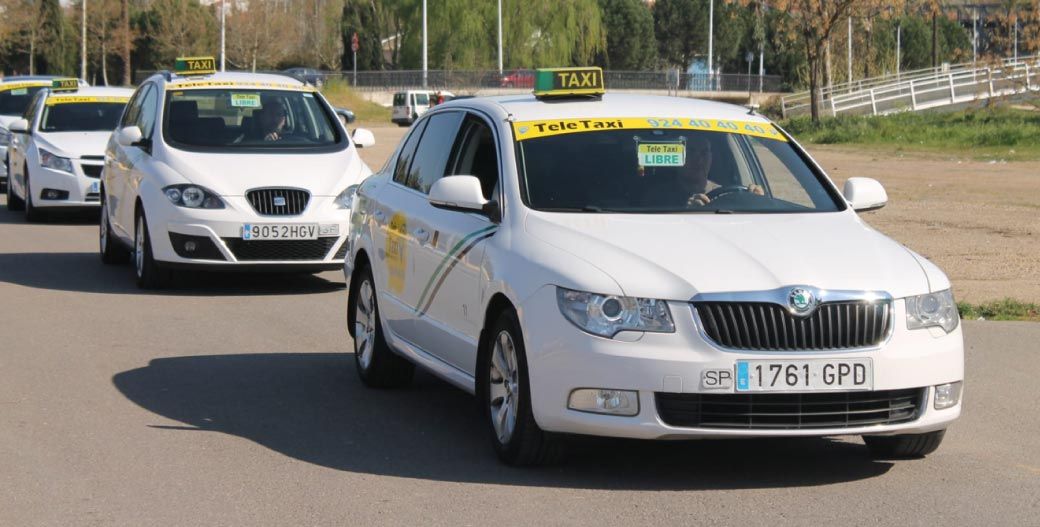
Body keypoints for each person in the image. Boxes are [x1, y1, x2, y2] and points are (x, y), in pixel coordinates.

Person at [641, 137, 763, 208]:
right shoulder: (658, 197)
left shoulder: (730, 194)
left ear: (711, 158)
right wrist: (687, 212)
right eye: (691, 152)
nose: (698, 160)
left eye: (704, 153)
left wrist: (756, 202)